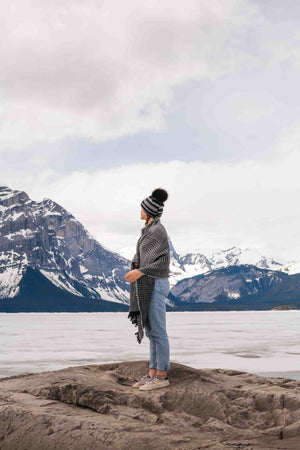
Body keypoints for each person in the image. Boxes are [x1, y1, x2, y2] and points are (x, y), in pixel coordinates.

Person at [125, 188, 171, 391]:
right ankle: (152, 373)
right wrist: (136, 268)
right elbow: (143, 258)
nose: (140, 210)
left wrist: (141, 271)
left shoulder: (158, 231)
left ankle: (162, 377)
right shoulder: (148, 231)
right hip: (148, 282)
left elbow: (163, 262)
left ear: (150, 210)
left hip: (156, 283)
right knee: (152, 332)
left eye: (143, 208)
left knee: (159, 332)